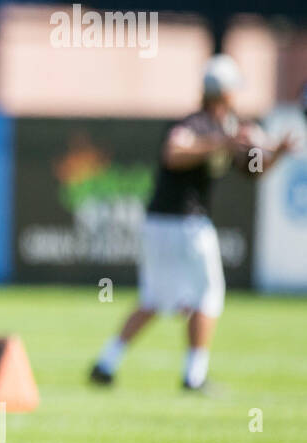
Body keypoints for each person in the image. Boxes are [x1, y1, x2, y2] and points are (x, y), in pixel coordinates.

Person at [90, 55, 299, 390]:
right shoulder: (196, 125)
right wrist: (225, 141)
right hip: (183, 224)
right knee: (209, 295)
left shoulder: (228, 127)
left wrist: (277, 153)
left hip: (164, 224)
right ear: (224, 91)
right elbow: (174, 152)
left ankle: (106, 362)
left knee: (154, 299)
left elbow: (254, 169)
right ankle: (194, 375)